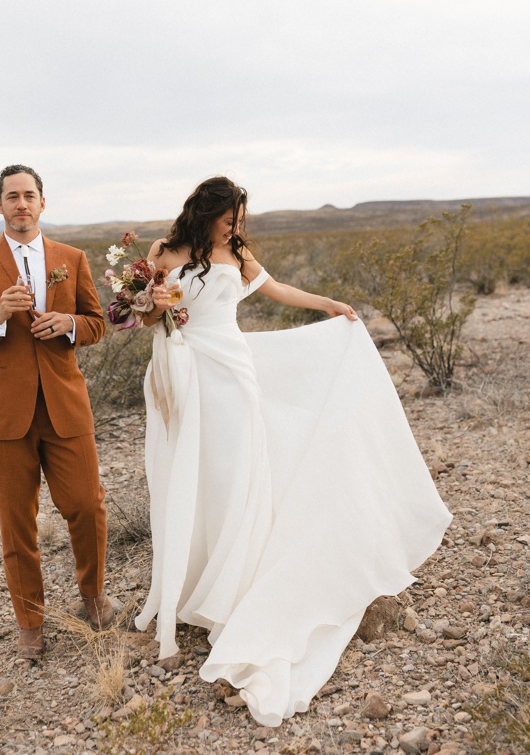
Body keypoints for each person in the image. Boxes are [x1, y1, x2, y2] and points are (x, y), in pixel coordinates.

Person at [131, 176, 452, 727]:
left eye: (238, 218)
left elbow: (276, 291)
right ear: (207, 211)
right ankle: (194, 578)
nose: (235, 226)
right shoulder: (161, 252)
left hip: (231, 371)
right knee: (193, 474)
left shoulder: (237, 252)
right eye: (229, 217)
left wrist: (327, 304)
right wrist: (150, 302)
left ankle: (236, 584)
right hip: (183, 372)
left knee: (236, 472)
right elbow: (140, 316)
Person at [0, 164, 118, 660]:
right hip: (4, 413)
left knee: (87, 505)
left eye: (29, 195)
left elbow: (96, 322)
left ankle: (92, 595)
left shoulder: (71, 257)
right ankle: (30, 621)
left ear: (43, 203)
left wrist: (70, 324)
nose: (21, 204)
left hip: (63, 404)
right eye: (11, 196)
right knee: (17, 521)